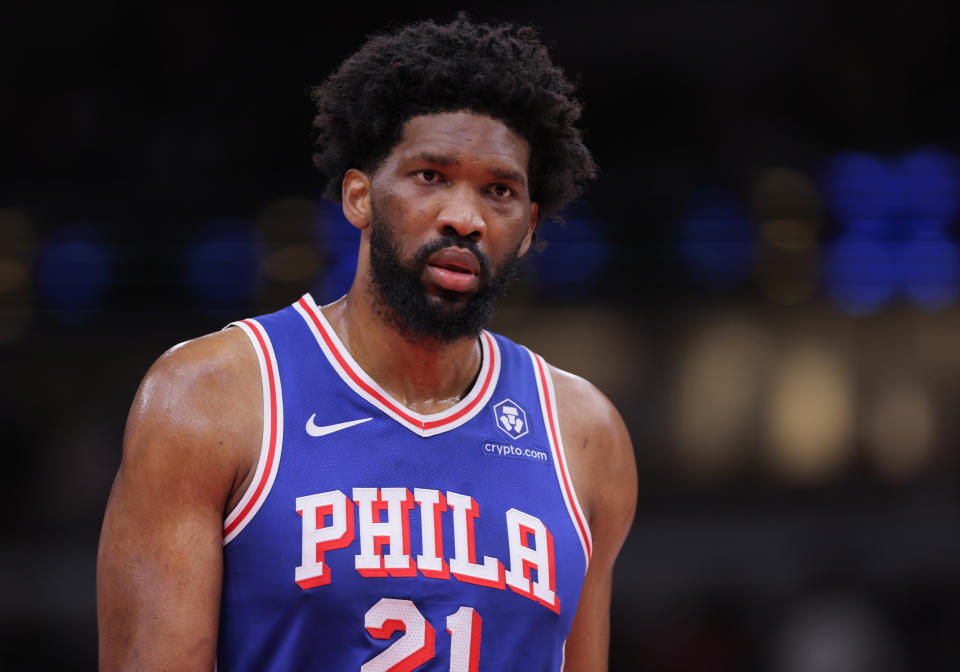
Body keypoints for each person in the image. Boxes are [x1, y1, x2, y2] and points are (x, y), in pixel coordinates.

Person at [97, 15, 637, 671]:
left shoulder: (584, 434)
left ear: (526, 229)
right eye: (430, 176)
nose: (463, 217)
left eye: (499, 191)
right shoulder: (211, 397)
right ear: (359, 197)